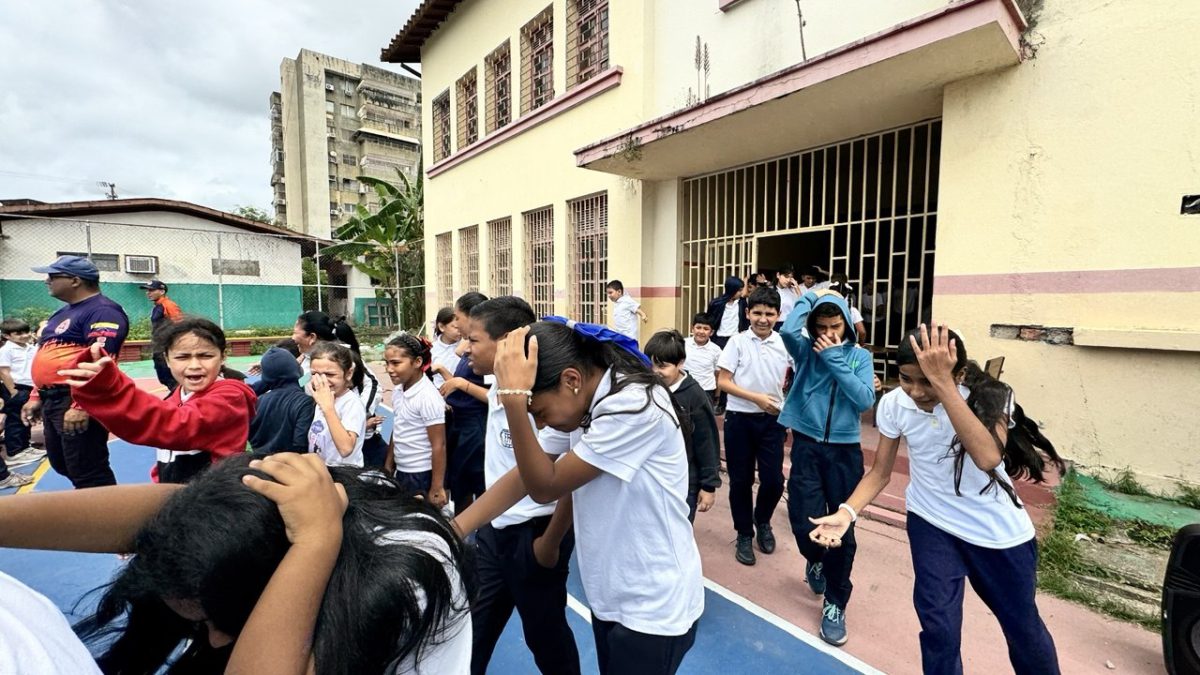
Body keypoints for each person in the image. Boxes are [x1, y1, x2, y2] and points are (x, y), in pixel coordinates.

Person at [0, 452, 472, 674]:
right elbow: (176, 510)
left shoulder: (394, 584)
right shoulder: (305, 520)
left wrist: (315, 541)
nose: (215, 639)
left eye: (213, 620)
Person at [458, 318, 704, 675]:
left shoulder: (633, 407)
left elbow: (545, 485)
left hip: (652, 605)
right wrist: (454, 528)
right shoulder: (590, 402)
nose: (539, 424)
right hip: (613, 593)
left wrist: (513, 401)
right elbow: (524, 477)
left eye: (538, 413)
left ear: (571, 380)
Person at [809, 325, 1062, 673]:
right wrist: (847, 512)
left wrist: (944, 386)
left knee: (1023, 630)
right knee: (939, 629)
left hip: (997, 533)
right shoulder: (896, 405)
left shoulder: (990, 397)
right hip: (932, 525)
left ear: (955, 373)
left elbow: (987, 458)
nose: (915, 390)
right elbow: (880, 473)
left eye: (926, 380)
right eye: (906, 378)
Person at [459, 296, 580, 675]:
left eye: (473, 339)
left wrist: (550, 543)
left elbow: (567, 478)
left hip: (535, 532)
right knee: (470, 634)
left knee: (546, 638)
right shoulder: (498, 385)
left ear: (509, 341)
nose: (464, 349)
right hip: (495, 529)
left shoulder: (550, 398)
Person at [777, 287, 876, 645]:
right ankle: (814, 558)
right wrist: (811, 295)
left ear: (847, 323)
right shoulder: (805, 351)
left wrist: (835, 356)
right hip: (806, 445)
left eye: (836, 325)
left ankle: (835, 602)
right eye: (822, 327)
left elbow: (864, 398)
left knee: (842, 530)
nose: (830, 333)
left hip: (845, 452)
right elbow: (788, 330)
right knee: (803, 519)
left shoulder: (859, 357)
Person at [60, 317, 258, 484]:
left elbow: (177, 425)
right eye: (183, 357)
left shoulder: (230, 396)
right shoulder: (176, 396)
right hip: (179, 498)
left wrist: (111, 389)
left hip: (213, 501)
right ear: (167, 359)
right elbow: (161, 444)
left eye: (206, 356)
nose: (195, 365)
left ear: (223, 357)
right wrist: (158, 481)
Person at [21, 255, 128, 489]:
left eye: (52, 276)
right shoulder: (61, 314)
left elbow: (102, 361)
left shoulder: (103, 311)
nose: (46, 281)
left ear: (75, 280)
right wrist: (36, 396)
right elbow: (46, 354)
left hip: (75, 397)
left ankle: (108, 520)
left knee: (88, 470)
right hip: (54, 399)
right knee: (62, 463)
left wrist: (82, 406)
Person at [716, 286, 792, 566]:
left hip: (773, 421)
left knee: (773, 480)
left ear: (778, 315)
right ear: (747, 313)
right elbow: (723, 382)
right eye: (757, 313)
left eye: (769, 313)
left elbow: (799, 377)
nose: (762, 319)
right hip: (739, 421)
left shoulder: (785, 344)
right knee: (740, 481)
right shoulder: (737, 342)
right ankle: (744, 533)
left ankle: (763, 521)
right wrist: (756, 399)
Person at [644, 329, 720, 522]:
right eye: (649, 365)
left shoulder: (695, 397)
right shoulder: (646, 390)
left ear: (680, 363)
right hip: (652, 478)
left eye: (662, 366)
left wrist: (708, 486)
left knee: (678, 532)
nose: (655, 372)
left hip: (684, 482)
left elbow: (707, 443)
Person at [435, 292, 492, 514]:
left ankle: (476, 537)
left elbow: (497, 396)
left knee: (478, 483)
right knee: (460, 483)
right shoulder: (468, 347)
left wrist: (462, 385)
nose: (456, 324)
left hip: (475, 427)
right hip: (459, 424)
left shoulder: (488, 350)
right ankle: (462, 533)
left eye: (458, 317)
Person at [383, 334, 448, 506]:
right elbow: (398, 428)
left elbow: (439, 445)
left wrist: (436, 487)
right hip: (403, 469)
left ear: (417, 362)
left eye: (396, 363)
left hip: (421, 473)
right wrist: (389, 464)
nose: (389, 369)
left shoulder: (428, 397)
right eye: (387, 363)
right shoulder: (398, 390)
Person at [306, 341, 367, 467]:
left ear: (349, 373)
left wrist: (328, 408)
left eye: (330, 374)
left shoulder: (351, 403)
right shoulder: (323, 398)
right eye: (315, 374)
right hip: (323, 470)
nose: (322, 380)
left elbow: (346, 449)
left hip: (344, 474)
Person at [1, 319, 45, 488]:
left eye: (25, 332)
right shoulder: (6, 350)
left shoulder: (29, 347)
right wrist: (13, 392)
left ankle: (24, 446)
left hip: (29, 387)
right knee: (16, 420)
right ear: (7, 336)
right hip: (16, 388)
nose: (24, 335)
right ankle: (15, 452)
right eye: (18, 333)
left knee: (26, 418)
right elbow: (4, 372)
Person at [248, 346, 315, 454]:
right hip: (290, 465)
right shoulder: (305, 402)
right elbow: (300, 445)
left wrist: (270, 373)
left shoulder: (256, 403)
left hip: (259, 464)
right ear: (296, 369)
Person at [139, 279, 183, 392]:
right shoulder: (158, 306)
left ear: (162, 291)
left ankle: (179, 398)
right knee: (163, 375)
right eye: (147, 290)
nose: (148, 293)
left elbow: (180, 325)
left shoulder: (169, 305)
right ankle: (176, 394)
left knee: (169, 376)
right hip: (159, 345)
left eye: (151, 290)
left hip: (167, 346)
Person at [684, 313, 723, 413]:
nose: (701, 332)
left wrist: (717, 396)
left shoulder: (716, 350)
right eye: (698, 327)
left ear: (711, 332)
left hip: (707, 391)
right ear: (692, 329)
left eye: (706, 329)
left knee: (704, 423)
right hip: (685, 389)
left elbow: (718, 374)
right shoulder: (683, 344)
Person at [706, 276, 749, 350]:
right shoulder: (716, 303)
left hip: (736, 337)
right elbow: (709, 320)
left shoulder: (741, 303)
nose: (741, 293)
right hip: (719, 339)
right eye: (739, 290)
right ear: (732, 290)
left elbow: (745, 319)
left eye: (741, 290)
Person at [430, 306, 463, 390]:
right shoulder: (432, 350)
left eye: (461, 327)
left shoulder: (464, 347)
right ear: (441, 327)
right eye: (455, 327)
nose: (460, 331)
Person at [605, 280, 647, 344]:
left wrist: (643, 315)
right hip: (620, 335)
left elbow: (637, 309)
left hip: (629, 336)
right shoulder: (617, 303)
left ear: (619, 291)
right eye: (607, 293)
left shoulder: (626, 301)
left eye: (611, 293)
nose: (609, 295)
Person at [774, 264, 801, 330]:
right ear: (778, 275)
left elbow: (801, 306)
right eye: (786, 276)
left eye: (790, 278)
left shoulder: (793, 291)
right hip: (776, 324)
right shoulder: (771, 291)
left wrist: (797, 289)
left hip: (791, 324)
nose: (788, 280)